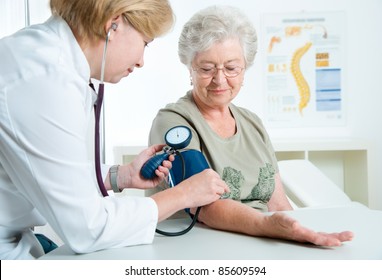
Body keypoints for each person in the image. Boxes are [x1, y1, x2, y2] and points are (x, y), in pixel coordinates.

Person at [0, 0, 229, 259]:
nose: (142, 61)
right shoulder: (43, 79)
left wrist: (120, 176)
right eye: (145, 42)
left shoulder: (44, 56)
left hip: (22, 239)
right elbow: (88, 228)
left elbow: (46, 168)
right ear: (113, 24)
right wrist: (183, 195)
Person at [148, 5, 354, 247]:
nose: (220, 79)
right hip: (200, 247)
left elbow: (278, 204)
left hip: (265, 242)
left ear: (245, 68)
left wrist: (304, 235)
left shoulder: (252, 123)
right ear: (189, 68)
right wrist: (267, 226)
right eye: (206, 69)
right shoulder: (173, 122)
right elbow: (202, 205)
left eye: (232, 68)